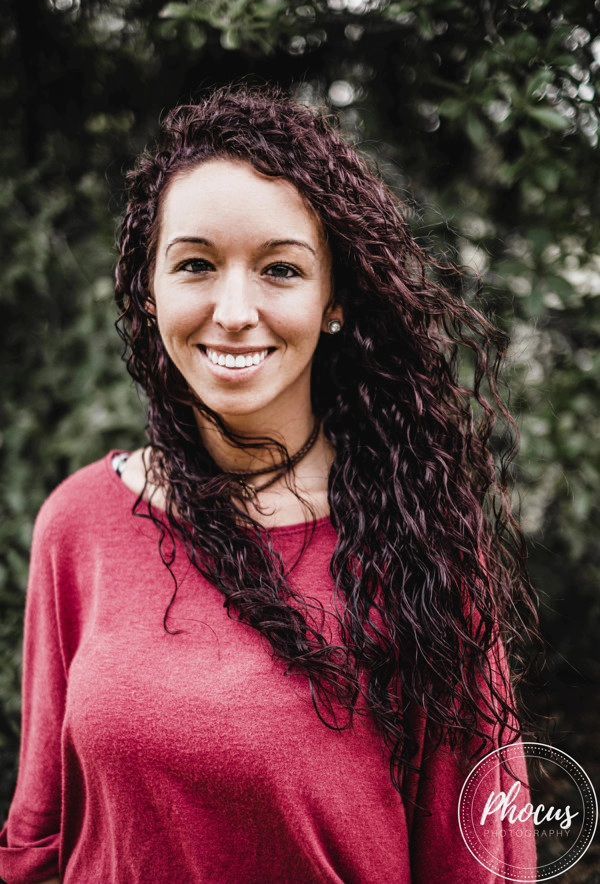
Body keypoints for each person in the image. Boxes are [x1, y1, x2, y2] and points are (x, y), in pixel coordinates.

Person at [0, 83, 540, 883]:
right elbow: (39, 839)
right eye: (195, 265)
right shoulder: (80, 522)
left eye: (281, 269)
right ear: (150, 294)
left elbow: (482, 861)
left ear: (334, 303)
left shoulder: (422, 552)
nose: (234, 309)